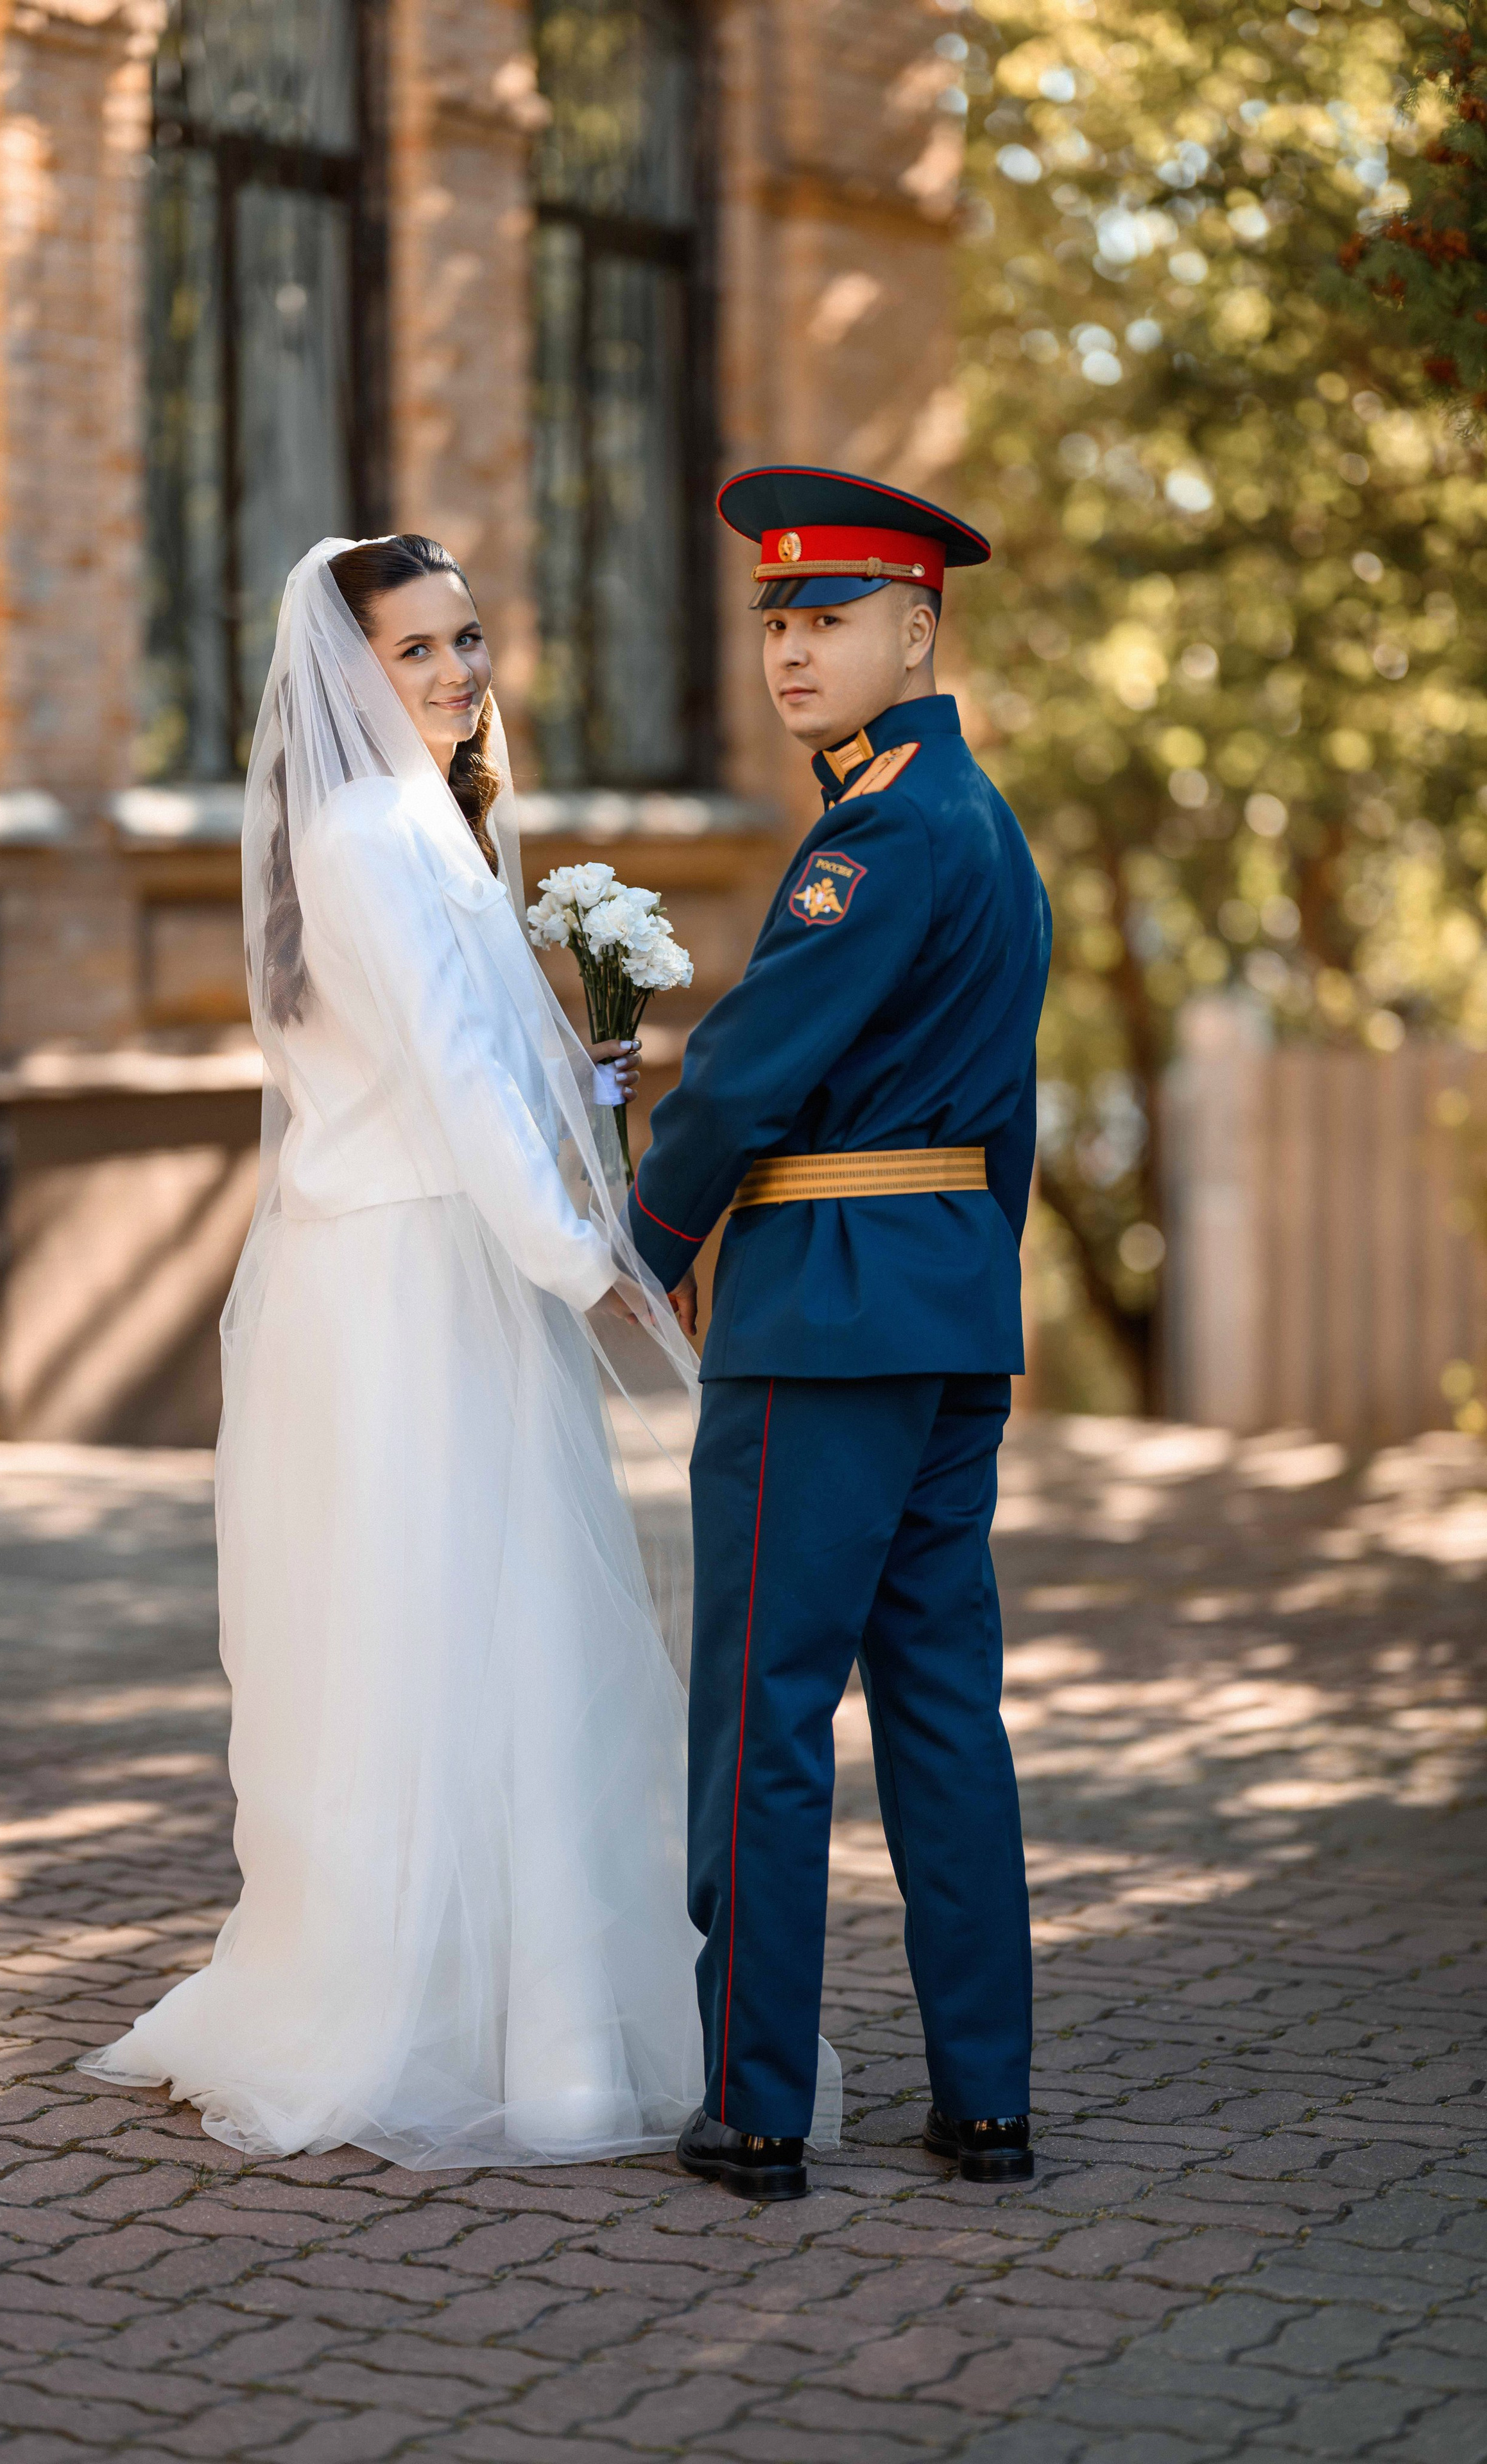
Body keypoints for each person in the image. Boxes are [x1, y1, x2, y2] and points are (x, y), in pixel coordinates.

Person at [79, 535, 723, 2166]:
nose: (455, 675)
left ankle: (518, 2015)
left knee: (448, 1635)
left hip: (403, 1268)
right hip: (417, 1286)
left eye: (467, 641)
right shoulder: (373, 834)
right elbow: (457, 1082)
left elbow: (484, 1071)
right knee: (470, 1633)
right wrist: (596, 1268)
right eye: (416, 650)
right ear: (345, 673)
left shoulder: (405, 827)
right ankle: (508, 2032)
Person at [625, 467, 1052, 2201]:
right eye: (778, 624)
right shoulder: (986, 822)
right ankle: (988, 2102)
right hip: (948, 1307)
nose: (793, 651)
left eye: (830, 621)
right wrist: (978, 1278)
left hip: (824, 1316)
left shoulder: (882, 832)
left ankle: (755, 2109)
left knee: (764, 1713)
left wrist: (650, 1235)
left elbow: (750, 1066)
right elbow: (1009, 1116)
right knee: (945, 1707)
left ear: (916, 630)